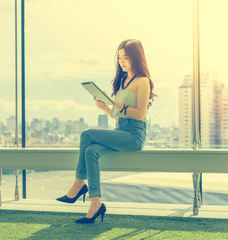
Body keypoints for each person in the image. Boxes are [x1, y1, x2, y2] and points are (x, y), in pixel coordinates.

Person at [56, 39, 156, 224]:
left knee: (86, 134)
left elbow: (140, 113)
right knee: (91, 151)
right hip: (120, 131)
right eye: (119, 58)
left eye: (126, 57)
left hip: (134, 135)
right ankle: (95, 203)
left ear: (136, 57)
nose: (122, 62)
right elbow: (119, 115)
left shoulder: (142, 81)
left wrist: (115, 104)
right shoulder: (123, 80)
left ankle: (79, 184)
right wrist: (106, 109)